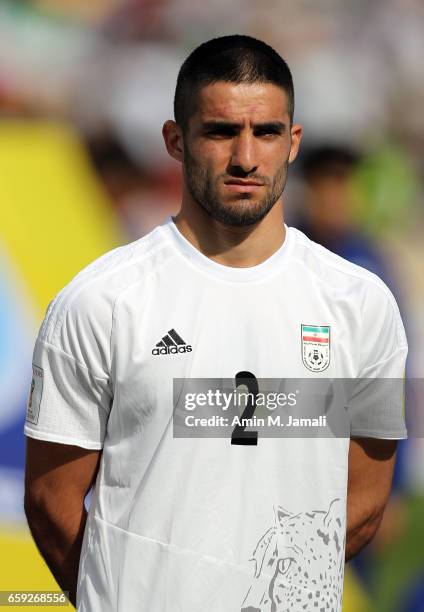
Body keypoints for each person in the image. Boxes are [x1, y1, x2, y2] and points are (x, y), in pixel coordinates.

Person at [24, 35, 408, 612]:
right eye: (222, 131)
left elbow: (365, 500)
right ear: (175, 141)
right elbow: (50, 501)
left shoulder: (362, 302)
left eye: (268, 132)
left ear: (294, 142)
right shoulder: (100, 301)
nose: (246, 158)